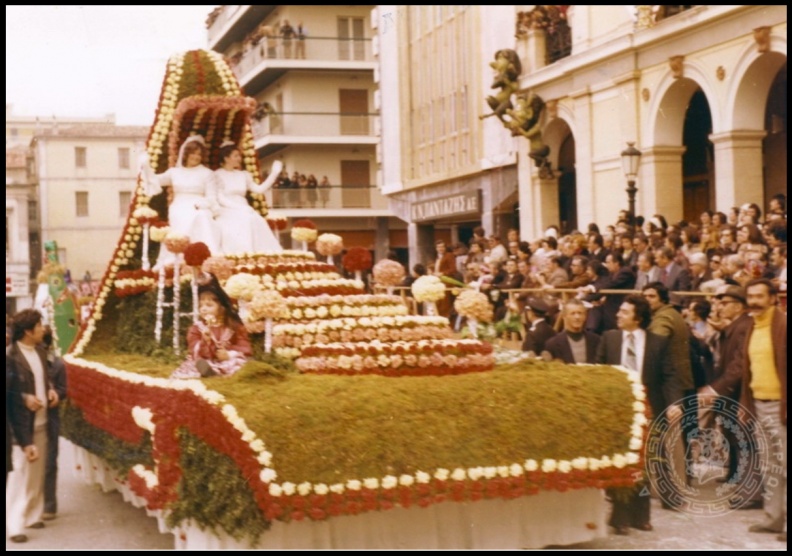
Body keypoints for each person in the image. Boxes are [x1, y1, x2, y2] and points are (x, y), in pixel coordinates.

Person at [596, 295, 679, 535]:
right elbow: (599, 370)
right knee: (622, 464)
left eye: (624, 312)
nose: (618, 315)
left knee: (645, 465)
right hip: (618, 410)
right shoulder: (609, 338)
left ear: (638, 318)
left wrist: (674, 404)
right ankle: (619, 517)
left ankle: (641, 516)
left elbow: (670, 375)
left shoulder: (658, 342)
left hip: (648, 409)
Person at [737, 279, 786, 542]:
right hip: (759, 403)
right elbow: (748, 371)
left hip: (782, 407)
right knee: (770, 466)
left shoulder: (784, 326)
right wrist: (747, 404)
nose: (753, 301)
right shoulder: (753, 327)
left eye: (759, 296)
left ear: (773, 299)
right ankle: (773, 519)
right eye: (750, 296)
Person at [6, 309, 59, 543]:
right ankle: (14, 524)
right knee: (19, 473)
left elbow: (44, 378)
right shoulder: (9, 356)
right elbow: (10, 392)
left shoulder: (40, 350)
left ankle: (33, 515)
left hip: (42, 420)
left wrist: (50, 390)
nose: (43, 329)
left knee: (36, 473)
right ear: (28, 331)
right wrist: (26, 397)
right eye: (39, 325)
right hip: (20, 425)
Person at [141, 135, 220, 270]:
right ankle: (176, 259)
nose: (196, 157)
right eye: (193, 153)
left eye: (199, 154)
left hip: (198, 205)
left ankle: (205, 256)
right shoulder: (174, 172)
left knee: (201, 216)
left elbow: (212, 197)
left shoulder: (207, 173)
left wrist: (203, 204)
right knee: (180, 220)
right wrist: (145, 165)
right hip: (179, 206)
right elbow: (155, 180)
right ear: (186, 154)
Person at [171, 276, 252, 379]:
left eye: (209, 305)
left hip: (227, 360)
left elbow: (245, 347)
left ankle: (226, 373)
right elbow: (194, 350)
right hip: (206, 360)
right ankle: (210, 372)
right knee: (198, 364)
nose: (203, 309)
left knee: (245, 361)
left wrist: (229, 354)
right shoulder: (196, 328)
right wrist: (205, 341)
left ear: (222, 308)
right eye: (201, 306)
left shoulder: (234, 327)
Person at [214, 143, 283, 255]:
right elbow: (220, 198)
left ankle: (261, 254)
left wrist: (274, 173)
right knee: (243, 220)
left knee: (257, 220)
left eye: (239, 156)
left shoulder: (243, 175)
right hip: (226, 208)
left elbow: (259, 189)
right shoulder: (217, 175)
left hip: (244, 207)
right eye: (235, 156)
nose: (239, 159)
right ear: (226, 158)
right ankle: (242, 253)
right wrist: (240, 208)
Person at [40, 326, 66, 521]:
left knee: (49, 461)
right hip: (26, 420)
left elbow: (63, 389)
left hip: (50, 418)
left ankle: (49, 504)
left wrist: (57, 394)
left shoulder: (57, 365)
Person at [542, 299, 600, 364]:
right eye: (573, 313)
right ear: (564, 316)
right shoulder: (552, 344)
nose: (577, 317)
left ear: (585, 316)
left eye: (580, 313)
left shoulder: (596, 341)